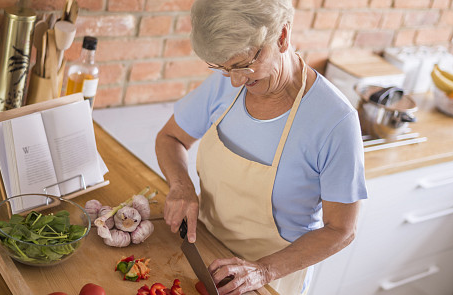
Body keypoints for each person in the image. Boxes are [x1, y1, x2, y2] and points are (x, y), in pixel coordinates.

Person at [155, 0, 368, 294]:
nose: (235, 81)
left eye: (244, 65)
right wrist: (181, 185)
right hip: (204, 251)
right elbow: (171, 138)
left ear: (282, 36)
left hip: (271, 280)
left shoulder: (335, 121)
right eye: (224, 68)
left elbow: (342, 230)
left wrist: (263, 270)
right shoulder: (226, 83)